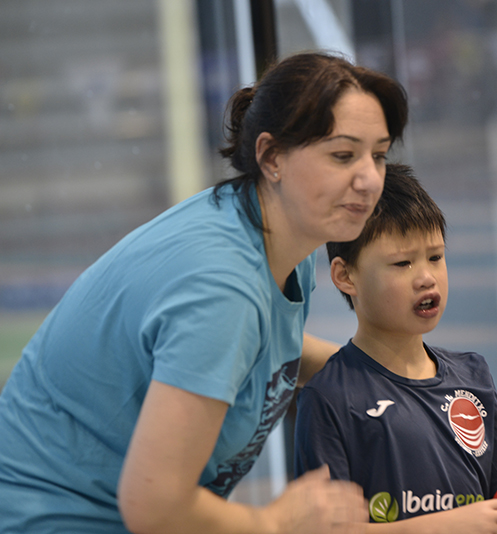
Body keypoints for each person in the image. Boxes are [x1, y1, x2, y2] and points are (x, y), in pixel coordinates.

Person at [0, 51, 408, 534]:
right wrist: (278, 522)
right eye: (343, 156)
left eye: (378, 155)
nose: (369, 179)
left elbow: (255, 346)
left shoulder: (276, 230)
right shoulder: (221, 284)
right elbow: (154, 507)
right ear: (272, 157)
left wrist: (379, 376)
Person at [294, 164, 497, 534]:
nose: (426, 277)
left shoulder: (472, 375)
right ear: (346, 276)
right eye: (402, 263)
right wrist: (449, 526)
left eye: (436, 257)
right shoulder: (329, 397)